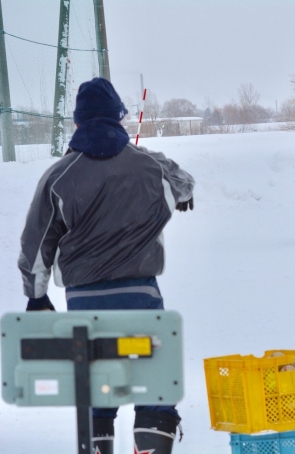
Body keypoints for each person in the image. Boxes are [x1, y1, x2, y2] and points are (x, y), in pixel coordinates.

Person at [18, 78, 194, 454]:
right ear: (119, 118)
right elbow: (184, 183)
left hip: (85, 301)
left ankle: (97, 443)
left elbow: (37, 243)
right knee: (154, 379)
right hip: (141, 295)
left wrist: (36, 296)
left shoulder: (59, 176)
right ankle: (152, 442)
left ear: (77, 122)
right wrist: (179, 193)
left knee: (98, 377)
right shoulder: (149, 165)